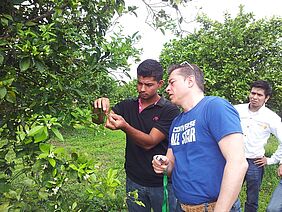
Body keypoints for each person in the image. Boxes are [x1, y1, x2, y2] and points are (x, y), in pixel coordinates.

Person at [152, 62, 248, 212]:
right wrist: (164, 165)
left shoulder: (215, 106)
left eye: (172, 82)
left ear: (190, 81)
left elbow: (238, 163)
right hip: (182, 206)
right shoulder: (176, 122)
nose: (167, 88)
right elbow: (171, 164)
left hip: (213, 207)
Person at [92, 59, 180, 212]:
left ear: (160, 84)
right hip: (134, 180)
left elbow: (150, 142)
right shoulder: (127, 105)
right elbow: (100, 120)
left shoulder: (169, 110)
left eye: (148, 85)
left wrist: (125, 126)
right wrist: (99, 108)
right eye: (139, 83)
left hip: (162, 182)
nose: (142, 89)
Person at [234, 80, 282, 212]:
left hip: (255, 163)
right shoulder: (236, 110)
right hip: (235, 160)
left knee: (252, 199)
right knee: (229, 194)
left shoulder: (271, 117)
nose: (254, 97)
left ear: (266, 98)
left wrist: (272, 160)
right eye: (253, 93)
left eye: (259, 95)